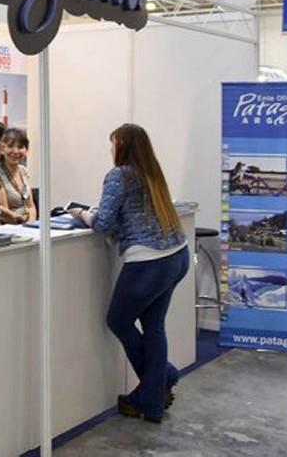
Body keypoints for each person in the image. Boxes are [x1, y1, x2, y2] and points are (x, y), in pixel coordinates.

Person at [68, 123, 188, 424]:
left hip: (148, 262)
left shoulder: (119, 175)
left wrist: (80, 213)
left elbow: (103, 223)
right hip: (177, 255)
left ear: (121, 145)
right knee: (154, 326)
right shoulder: (152, 173)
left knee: (118, 320)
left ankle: (159, 381)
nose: (111, 149)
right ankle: (154, 393)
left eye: (113, 143)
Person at [0, 128, 37, 224]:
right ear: (2, 149)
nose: (15, 151)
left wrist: (31, 224)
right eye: (10, 146)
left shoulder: (23, 171)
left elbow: (31, 206)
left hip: (28, 226)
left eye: (20, 147)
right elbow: (5, 214)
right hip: (10, 226)